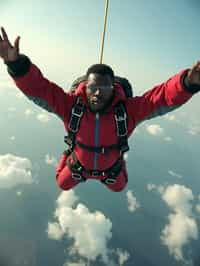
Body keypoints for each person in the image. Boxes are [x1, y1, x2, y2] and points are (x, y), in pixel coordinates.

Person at [0, 27, 200, 192]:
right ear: (85, 88)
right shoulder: (70, 107)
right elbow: (40, 89)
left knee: (119, 187)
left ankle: (117, 165)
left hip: (110, 170)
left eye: (104, 87)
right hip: (79, 165)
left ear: (113, 88)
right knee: (62, 184)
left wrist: (187, 83)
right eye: (93, 87)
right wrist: (16, 64)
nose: (97, 93)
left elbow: (161, 97)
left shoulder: (128, 112)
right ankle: (68, 154)